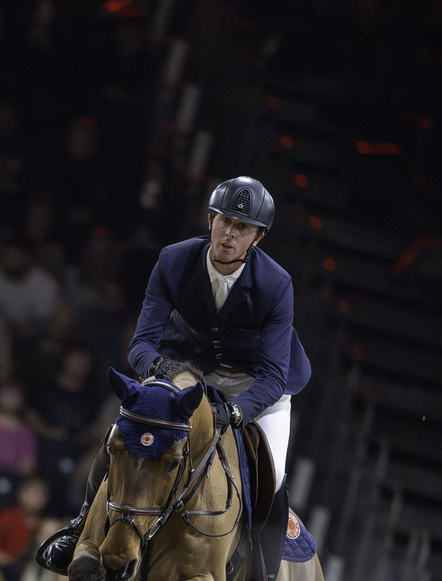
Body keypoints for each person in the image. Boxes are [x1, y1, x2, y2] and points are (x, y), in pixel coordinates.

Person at [36, 177, 312, 577]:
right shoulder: (174, 260)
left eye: (242, 228)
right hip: (190, 371)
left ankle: (263, 570)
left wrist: (234, 414)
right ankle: (81, 528)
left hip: (257, 385)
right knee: (125, 431)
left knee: (273, 480)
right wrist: (160, 369)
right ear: (210, 219)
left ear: (258, 238)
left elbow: (272, 377)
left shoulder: (275, 284)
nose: (229, 234)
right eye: (224, 221)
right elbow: (142, 343)